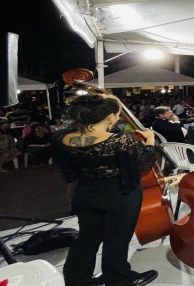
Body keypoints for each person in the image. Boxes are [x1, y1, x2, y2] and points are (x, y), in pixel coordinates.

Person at [54, 94, 159, 286]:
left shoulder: (62, 138)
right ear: (109, 116)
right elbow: (144, 163)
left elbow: (69, 170)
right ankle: (117, 278)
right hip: (118, 196)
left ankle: (77, 279)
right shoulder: (120, 141)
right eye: (117, 114)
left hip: (85, 194)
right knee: (117, 239)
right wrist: (150, 141)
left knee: (87, 238)